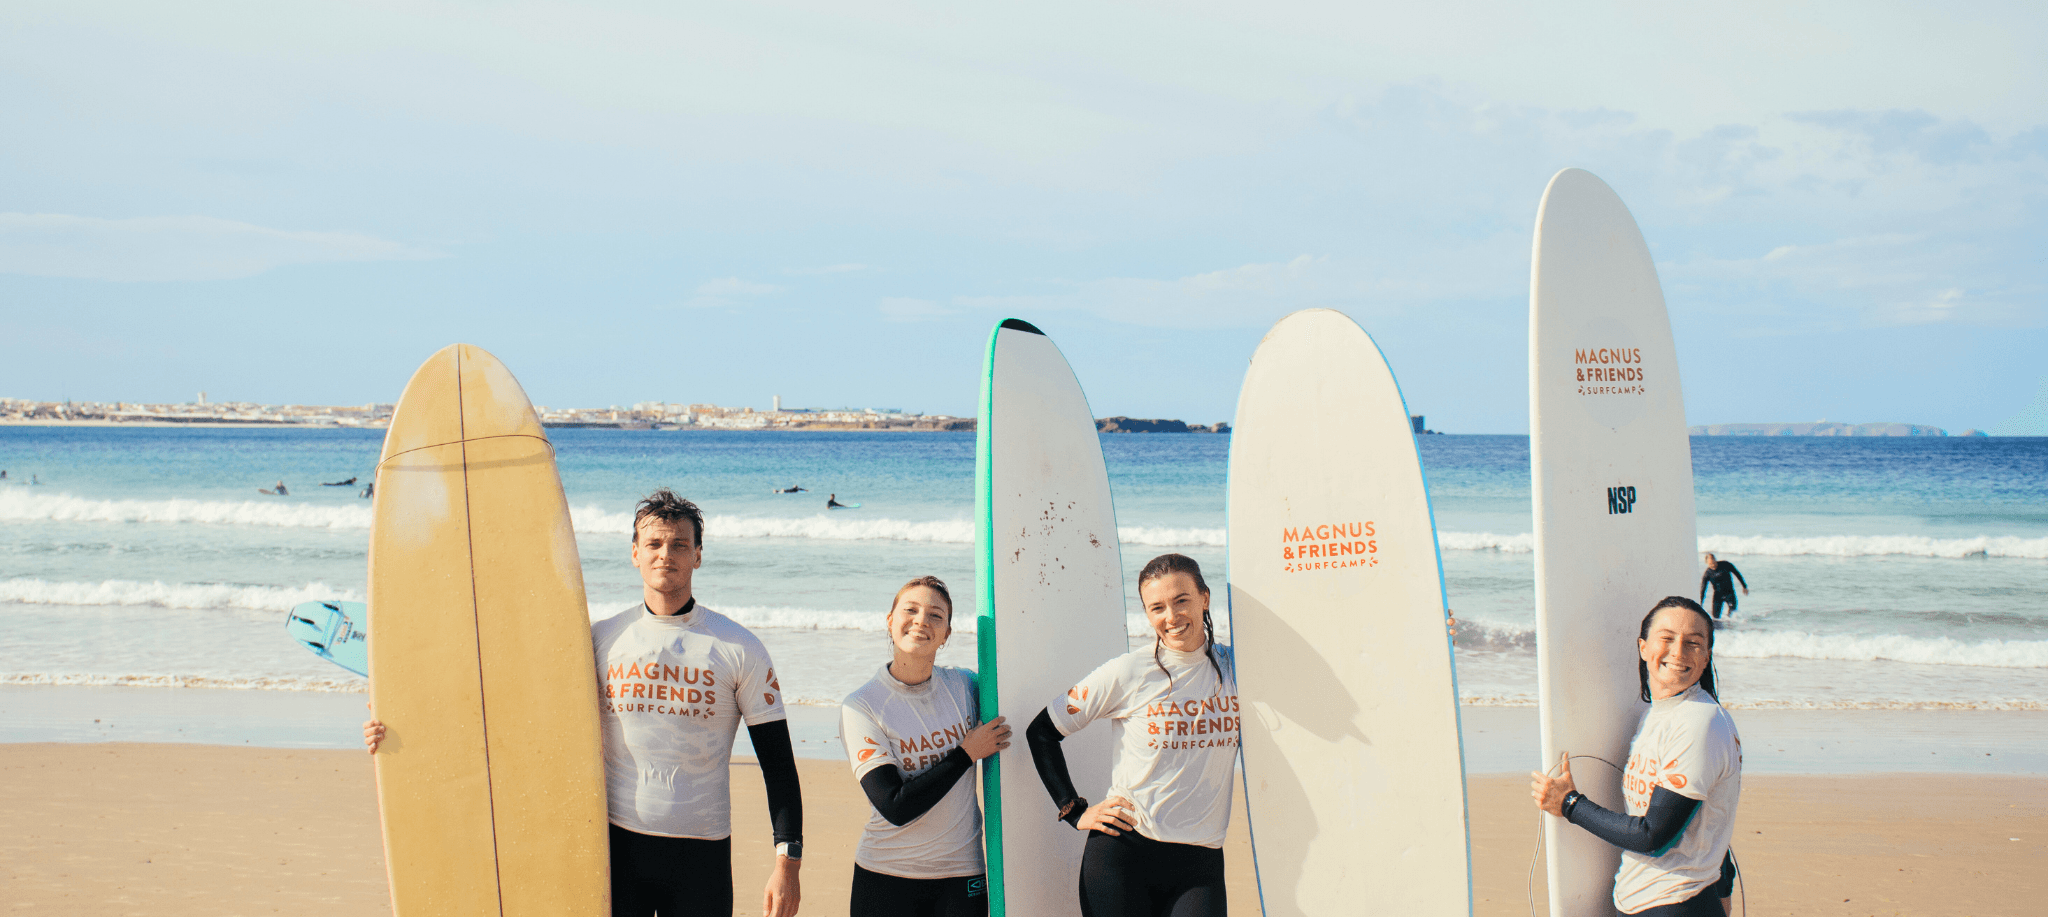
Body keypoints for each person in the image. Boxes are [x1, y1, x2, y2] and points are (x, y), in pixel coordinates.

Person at [367, 488, 804, 917]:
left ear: (698, 555)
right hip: (615, 849)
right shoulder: (599, 642)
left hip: (702, 853)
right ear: (634, 553)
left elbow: (779, 764)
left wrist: (788, 866)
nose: (664, 554)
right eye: (652, 543)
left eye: (679, 544)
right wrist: (406, 725)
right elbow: (512, 714)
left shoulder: (738, 647)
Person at [1025, 553, 1238, 917]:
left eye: (1181, 600)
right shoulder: (1129, 672)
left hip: (1200, 861)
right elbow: (1042, 731)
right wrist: (1074, 810)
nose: (1171, 617)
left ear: (1205, 597)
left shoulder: (1238, 669)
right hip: (1123, 856)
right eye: (1157, 607)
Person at [1530, 596, 1741, 916]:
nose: (1678, 651)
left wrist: (1570, 804)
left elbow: (1653, 835)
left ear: (1707, 655)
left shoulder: (1700, 723)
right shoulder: (1657, 715)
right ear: (1643, 647)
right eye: (1667, 638)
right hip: (1643, 901)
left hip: (1677, 903)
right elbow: (1710, 827)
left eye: (1693, 643)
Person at [840, 576, 1010, 917]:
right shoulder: (861, 706)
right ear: (890, 621)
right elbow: (894, 806)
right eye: (911, 610)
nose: (921, 620)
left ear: (946, 633)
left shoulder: (967, 687)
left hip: (962, 872)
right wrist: (965, 754)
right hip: (886, 874)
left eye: (936, 615)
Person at [1697, 553, 1748, 620]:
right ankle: (1721, 630)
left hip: (1729, 593)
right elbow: (1703, 589)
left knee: (1733, 614)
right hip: (1718, 595)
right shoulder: (1707, 574)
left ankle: (1731, 628)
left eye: (1713, 563)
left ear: (1715, 560)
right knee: (1715, 618)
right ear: (1706, 563)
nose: (1713, 565)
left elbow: (1737, 573)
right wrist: (1700, 604)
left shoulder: (1725, 565)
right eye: (1710, 564)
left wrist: (1744, 586)